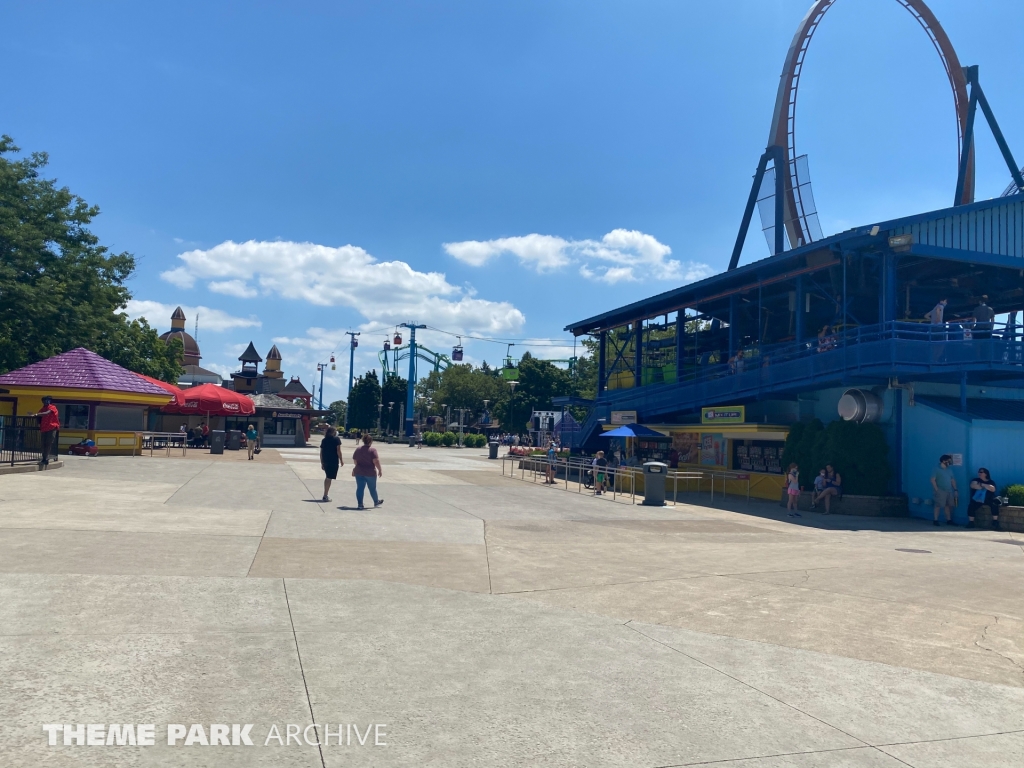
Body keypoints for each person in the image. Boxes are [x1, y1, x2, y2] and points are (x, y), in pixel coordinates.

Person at [352, 433, 383, 509]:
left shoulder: (358, 449)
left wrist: (356, 468)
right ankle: (376, 502)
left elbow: (355, 460)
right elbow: (376, 461)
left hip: (359, 471)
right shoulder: (373, 450)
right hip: (370, 472)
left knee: (360, 488)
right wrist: (380, 470)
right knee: (372, 488)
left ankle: (360, 504)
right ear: (371, 441)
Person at [930, 454, 958, 526]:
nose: (949, 462)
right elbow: (933, 479)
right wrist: (937, 489)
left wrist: (955, 489)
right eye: (948, 460)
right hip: (940, 490)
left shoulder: (949, 469)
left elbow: (952, 480)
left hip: (949, 490)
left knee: (948, 505)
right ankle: (935, 520)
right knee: (938, 505)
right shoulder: (936, 469)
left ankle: (949, 520)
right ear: (943, 461)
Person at [319, 426, 344, 502]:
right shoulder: (336, 439)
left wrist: (322, 462)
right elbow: (338, 451)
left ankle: (325, 494)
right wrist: (341, 460)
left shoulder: (324, 440)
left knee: (328, 477)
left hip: (326, 460)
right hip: (333, 461)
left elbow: (321, 452)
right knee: (329, 478)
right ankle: (325, 495)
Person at [35, 395, 60, 466]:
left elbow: (47, 413)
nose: (46, 402)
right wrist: (37, 417)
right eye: (44, 400)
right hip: (44, 428)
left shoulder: (52, 407)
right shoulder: (43, 408)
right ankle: (44, 458)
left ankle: (46, 458)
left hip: (51, 428)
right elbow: (39, 416)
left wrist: (37, 414)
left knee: (48, 443)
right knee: (43, 444)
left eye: (47, 400)